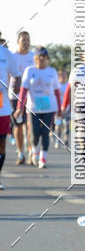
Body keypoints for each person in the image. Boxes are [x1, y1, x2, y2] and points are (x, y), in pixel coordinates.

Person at [16, 47, 61, 169]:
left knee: (45, 133)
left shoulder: (52, 71)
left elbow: (57, 91)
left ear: (47, 58)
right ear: (35, 58)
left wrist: (60, 110)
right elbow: (23, 91)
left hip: (49, 107)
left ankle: (43, 158)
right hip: (33, 107)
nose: (41, 58)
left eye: (44, 56)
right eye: (39, 56)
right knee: (35, 133)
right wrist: (20, 107)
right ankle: (34, 153)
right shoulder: (29, 71)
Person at [10, 30, 34, 164]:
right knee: (18, 126)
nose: (26, 43)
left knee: (30, 125)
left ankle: (31, 151)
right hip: (14, 96)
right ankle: (20, 153)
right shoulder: (12, 57)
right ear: (18, 42)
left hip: (31, 97)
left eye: (28, 40)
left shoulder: (34, 56)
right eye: (24, 40)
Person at [0, 41, 20, 189]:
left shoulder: (6, 54)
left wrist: (16, 88)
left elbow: (16, 75)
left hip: (2, 106)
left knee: (1, 146)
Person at [54, 67, 70, 148]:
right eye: (61, 75)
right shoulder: (57, 85)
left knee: (66, 125)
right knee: (58, 126)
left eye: (64, 75)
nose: (63, 77)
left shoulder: (68, 85)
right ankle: (58, 140)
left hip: (67, 109)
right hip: (58, 109)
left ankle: (66, 141)